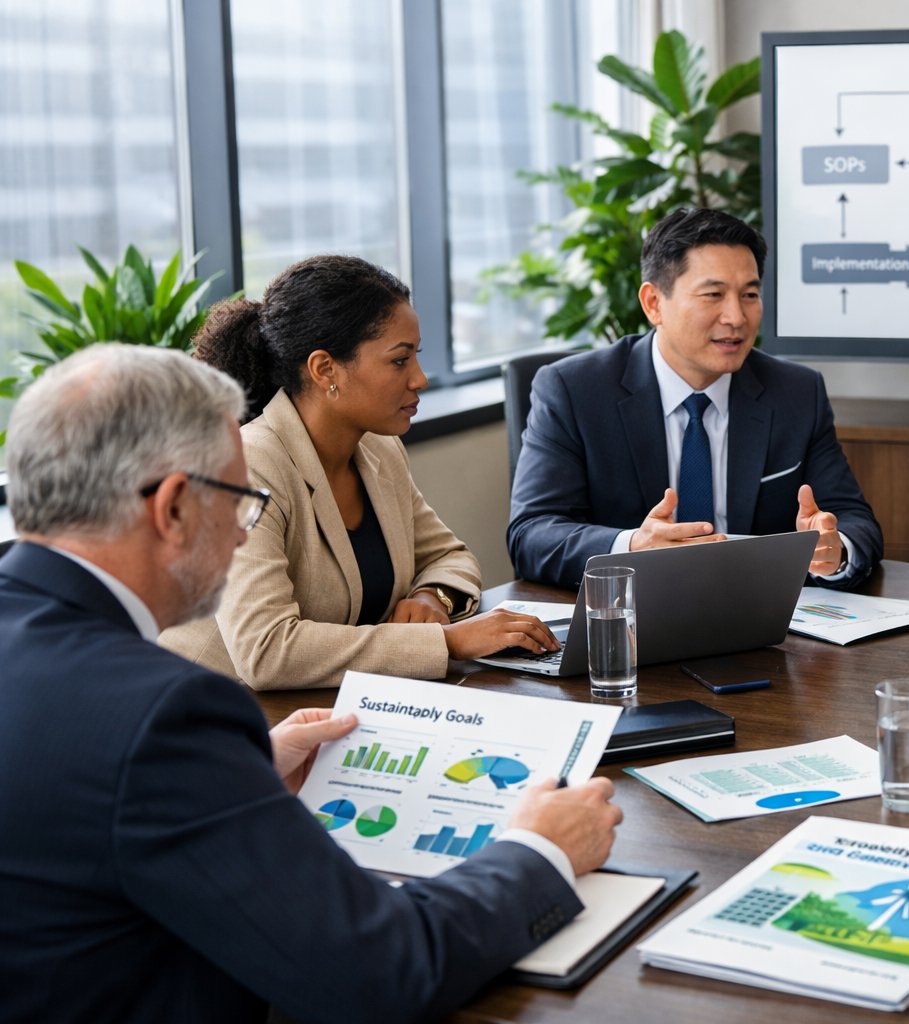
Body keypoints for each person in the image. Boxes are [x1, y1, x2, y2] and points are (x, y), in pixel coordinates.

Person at [0, 345, 623, 1023]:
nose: (243, 541)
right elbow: (381, 970)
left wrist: (237, 777)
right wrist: (540, 851)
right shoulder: (164, 716)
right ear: (174, 507)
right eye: (242, 506)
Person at [161, 254, 559, 689]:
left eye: (416, 357)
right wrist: (446, 643)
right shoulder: (250, 466)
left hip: (327, 705)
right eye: (399, 360)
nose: (421, 379)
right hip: (212, 711)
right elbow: (267, 650)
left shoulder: (378, 449)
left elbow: (449, 556)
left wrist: (433, 596)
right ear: (324, 369)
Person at [507, 207, 883, 589]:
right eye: (713, 295)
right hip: (632, 620)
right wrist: (632, 546)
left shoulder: (796, 392)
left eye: (750, 294)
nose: (736, 317)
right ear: (654, 303)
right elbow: (532, 534)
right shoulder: (574, 390)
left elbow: (853, 518)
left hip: (760, 618)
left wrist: (835, 550)